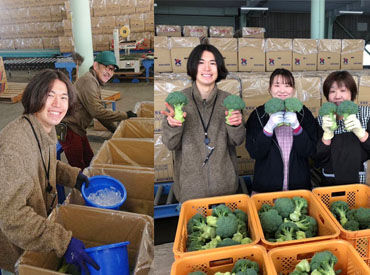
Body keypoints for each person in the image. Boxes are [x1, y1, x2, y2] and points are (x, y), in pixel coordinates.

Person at [0, 69, 99, 274]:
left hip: (37, 226)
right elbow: (11, 217)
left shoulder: (43, 126)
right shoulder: (13, 146)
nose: (57, 104)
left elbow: (45, 164)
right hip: (14, 242)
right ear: (35, 96)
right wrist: (63, 241)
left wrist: (74, 177)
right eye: (49, 95)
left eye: (63, 97)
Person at [161, 43, 245, 203]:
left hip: (226, 189)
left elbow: (238, 141)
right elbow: (171, 144)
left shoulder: (229, 101)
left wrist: (236, 125)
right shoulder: (179, 102)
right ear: (193, 66)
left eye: (212, 63)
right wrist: (172, 126)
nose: (207, 68)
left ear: (219, 68)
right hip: (190, 191)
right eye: (201, 62)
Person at [60, 51, 137, 170]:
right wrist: (125, 115)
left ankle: (89, 184)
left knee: (90, 159)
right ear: (95, 66)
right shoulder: (88, 82)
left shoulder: (94, 82)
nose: (109, 72)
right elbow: (97, 112)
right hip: (69, 129)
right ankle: (81, 188)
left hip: (78, 128)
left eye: (112, 69)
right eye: (106, 67)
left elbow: (99, 113)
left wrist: (114, 130)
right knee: (78, 167)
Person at [245, 68, 317, 193]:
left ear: (293, 90)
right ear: (270, 89)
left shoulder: (304, 114)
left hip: (299, 187)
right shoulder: (258, 115)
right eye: (277, 85)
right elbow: (254, 152)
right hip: (265, 189)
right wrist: (268, 128)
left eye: (287, 85)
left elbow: (310, 151)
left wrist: (297, 127)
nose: (282, 90)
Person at [315, 71, 370, 185]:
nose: (337, 96)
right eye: (332, 91)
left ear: (352, 93)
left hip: (361, 182)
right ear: (327, 96)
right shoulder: (321, 120)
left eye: (343, 90)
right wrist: (327, 135)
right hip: (330, 183)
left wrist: (361, 133)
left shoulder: (366, 114)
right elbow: (318, 158)